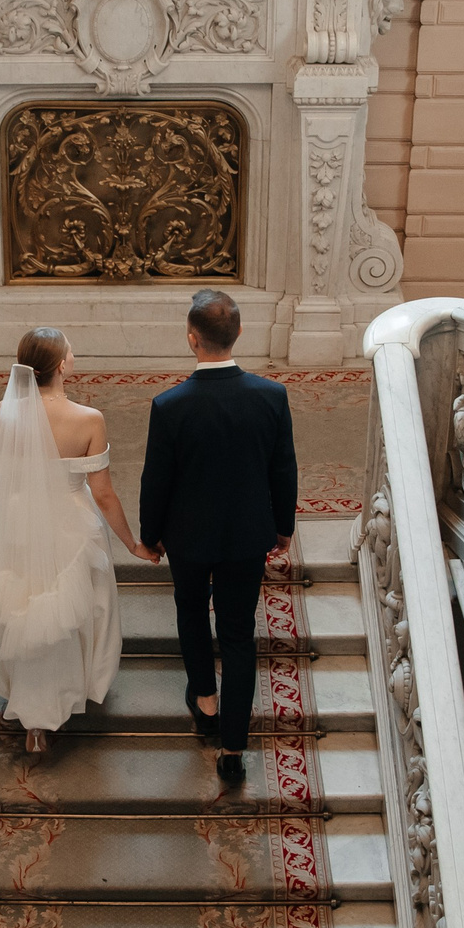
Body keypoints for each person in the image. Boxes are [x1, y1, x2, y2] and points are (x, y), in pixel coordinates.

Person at [0, 327, 158, 755]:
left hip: (16, 521)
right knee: (65, 619)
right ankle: (54, 705)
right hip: (70, 522)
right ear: (63, 365)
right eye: (70, 350)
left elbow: (9, 474)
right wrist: (132, 543)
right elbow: (103, 495)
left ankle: (32, 718)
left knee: (22, 608)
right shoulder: (88, 419)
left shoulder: (2, 413)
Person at [137, 291, 298, 786]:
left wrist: (151, 535)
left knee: (190, 611)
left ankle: (204, 700)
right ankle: (232, 750)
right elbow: (284, 468)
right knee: (238, 635)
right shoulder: (271, 396)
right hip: (248, 536)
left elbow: (155, 479)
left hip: (188, 536)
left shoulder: (170, 406)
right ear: (240, 334)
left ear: (191, 338)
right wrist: (284, 526)